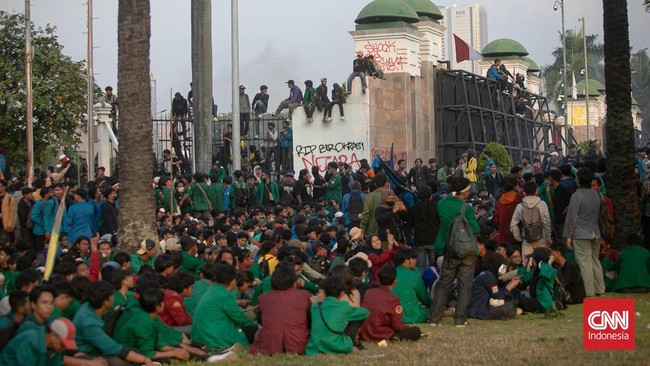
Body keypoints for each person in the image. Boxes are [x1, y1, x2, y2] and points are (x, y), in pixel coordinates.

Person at [429, 177, 480, 327]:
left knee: (444, 284)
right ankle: (460, 319)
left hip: (449, 249)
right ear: (464, 193)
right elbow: (475, 229)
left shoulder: (441, 205)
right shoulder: (467, 208)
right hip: (467, 251)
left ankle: (434, 318)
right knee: (464, 285)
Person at [73, 281, 154, 365]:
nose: (114, 297)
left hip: (98, 349)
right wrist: (145, 360)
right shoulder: (88, 323)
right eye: (112, 295)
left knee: (134, 352)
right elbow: (112, 348)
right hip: (88, 354)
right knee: (120, 363)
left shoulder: (90, 306)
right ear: (106, 302)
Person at [191, 262, 259, 348]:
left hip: (202, 335)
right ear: (233, 281)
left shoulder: (213, 289)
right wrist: (255, 325)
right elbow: (240, 318)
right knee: (255, 330)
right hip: (214, 338)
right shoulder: (225, 295)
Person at [249, 264, 311, 355]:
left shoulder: (264, 298)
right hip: (298, 345)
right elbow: (309, 321)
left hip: (269, 346)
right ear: (294, 281)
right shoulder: (303, 295)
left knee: (257, 330)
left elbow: (261, 322)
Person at [563, 168, 605, 298]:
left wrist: (568, 235)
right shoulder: (598, 194)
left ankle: (589, 291)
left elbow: (572, 217)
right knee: (595, 260)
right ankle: (600, 288)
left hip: (581, 233)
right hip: (596, 232)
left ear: (579, 180)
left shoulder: (577, 195)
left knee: (584, 262)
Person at [305, 276, 369, 355]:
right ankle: (351, 340)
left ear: (324, 292)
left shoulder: (315, 306)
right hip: (337, 345)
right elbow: (365, 312)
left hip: (315, 346)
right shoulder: (343, 307)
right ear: (342, 293)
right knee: (358, 316)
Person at [359, 265, 421, 342]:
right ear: (395, 281)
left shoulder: (368, 292)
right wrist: (407, 327)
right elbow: (397, 326)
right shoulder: (393, 299)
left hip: (365, 333)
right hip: (382, 334)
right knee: (416, 331)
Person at [0, 317, 85, 366]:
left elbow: (56, 364)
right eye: (62, 344)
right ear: (52, 335)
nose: (63, 348)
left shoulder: (55, 347)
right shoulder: (31, 341)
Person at [510, 181, 552, 258]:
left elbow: (513, 225)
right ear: (536, 191)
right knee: (542, 260)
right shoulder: (542, 204)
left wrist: (518, 238)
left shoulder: (520, 206)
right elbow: (547, 223)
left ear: (524, 193)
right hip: (541, 237)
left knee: (526, 264)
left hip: (527, 238)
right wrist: (548, 237)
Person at [392, 248, 431, 324]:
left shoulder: (391, 273)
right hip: (411, 315)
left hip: (392, 315)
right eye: (413, 258)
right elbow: (424, 298)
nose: (416, 260)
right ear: (406, 261)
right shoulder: (414, 275)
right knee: (429, 311)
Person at [407, 185, 439, 271]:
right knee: (435, 266)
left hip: (419, 241)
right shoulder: (436, 207)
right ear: (430, 195)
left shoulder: (414, 208)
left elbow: (410, 224)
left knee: (420, 266)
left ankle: (421, 283)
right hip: (433, 239)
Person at [493, 175, 522, 244]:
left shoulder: (499, 200)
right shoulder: (519, 198)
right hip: (518, 231)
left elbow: (496, 219)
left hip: (503, 232)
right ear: (515, 186)